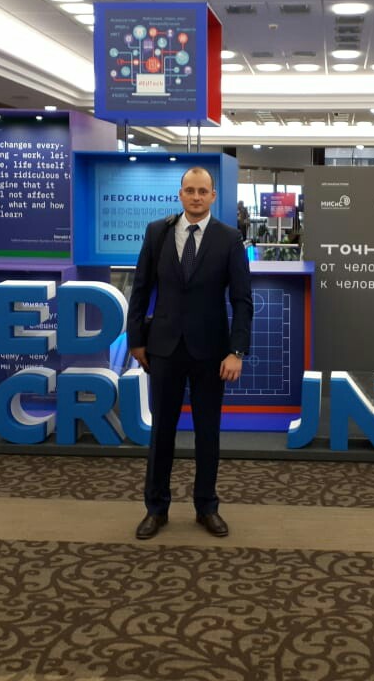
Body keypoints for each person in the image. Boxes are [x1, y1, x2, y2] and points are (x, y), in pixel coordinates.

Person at [126, 167, 253, 541]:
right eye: (190, 190)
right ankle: (156, 509)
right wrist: (136, 340)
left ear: (213, 196)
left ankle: (206, 506)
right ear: (180, 194)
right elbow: (141, 288)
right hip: (163, 349)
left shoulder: (229, 238)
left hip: (211, 352)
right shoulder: (158, 232)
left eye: (203, 191)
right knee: (161, 432)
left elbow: (242, 300)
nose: (196, 197)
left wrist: (237, 351)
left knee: (207, 433)